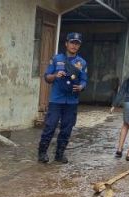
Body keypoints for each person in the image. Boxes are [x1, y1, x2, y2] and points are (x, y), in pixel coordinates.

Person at [37, 32, 88, 164]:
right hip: (56, 100)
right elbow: (47, 77)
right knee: (50, 126)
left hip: (72, 101)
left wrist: (81, 87)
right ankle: (42, 153)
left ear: (79, 46)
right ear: (66, 43)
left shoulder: (82, 62)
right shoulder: (56, 59)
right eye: (72, 42)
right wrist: (55, 75)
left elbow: (84, 80)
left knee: (67, 128)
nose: (74, 46)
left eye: (77, 44)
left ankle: (59, 154)